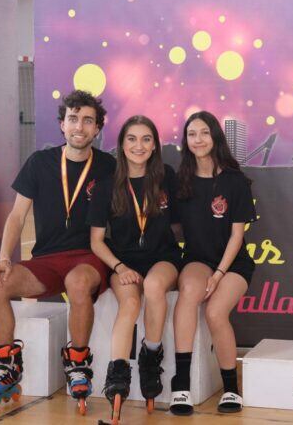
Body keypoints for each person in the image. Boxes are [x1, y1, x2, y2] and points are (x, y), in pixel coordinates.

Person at [0, 90, 116, 414]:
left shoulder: (109, 166)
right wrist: (2, 258)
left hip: (89, 256)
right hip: (46, 260)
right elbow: (17, 215)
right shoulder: (40, 162)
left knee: (79, 283)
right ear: (61, 124)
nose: (79, 127)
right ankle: (7, 362)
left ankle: (79, 362)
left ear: (98, 128)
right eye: (73, 119)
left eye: (87, 120)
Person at [87, 115, 182, 421]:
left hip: (163, 257)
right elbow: (96, 241)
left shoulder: (166, 176)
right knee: (128, 302)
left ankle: (150, 356)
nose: (138, 146)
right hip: (122, 260)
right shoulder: (106, 185)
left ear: (155, 145)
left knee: (153, 287)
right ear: (122, 144)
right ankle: (117, 373)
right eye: (132, 139)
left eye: (145, 139)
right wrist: (119, 267)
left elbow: (184, 223)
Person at [169, 111, 256, 416]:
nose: (198, 140)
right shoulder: (180, 181)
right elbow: (175, 227)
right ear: (186, 141)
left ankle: (231, 387)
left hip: (232, 264)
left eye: (204, 133)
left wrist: (219, 275)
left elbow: (237, 235)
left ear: (215, 136)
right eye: (192, 134)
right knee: (189, 293)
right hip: (196, 258)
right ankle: (180, 385)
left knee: (216, 311)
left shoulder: (235, 181)